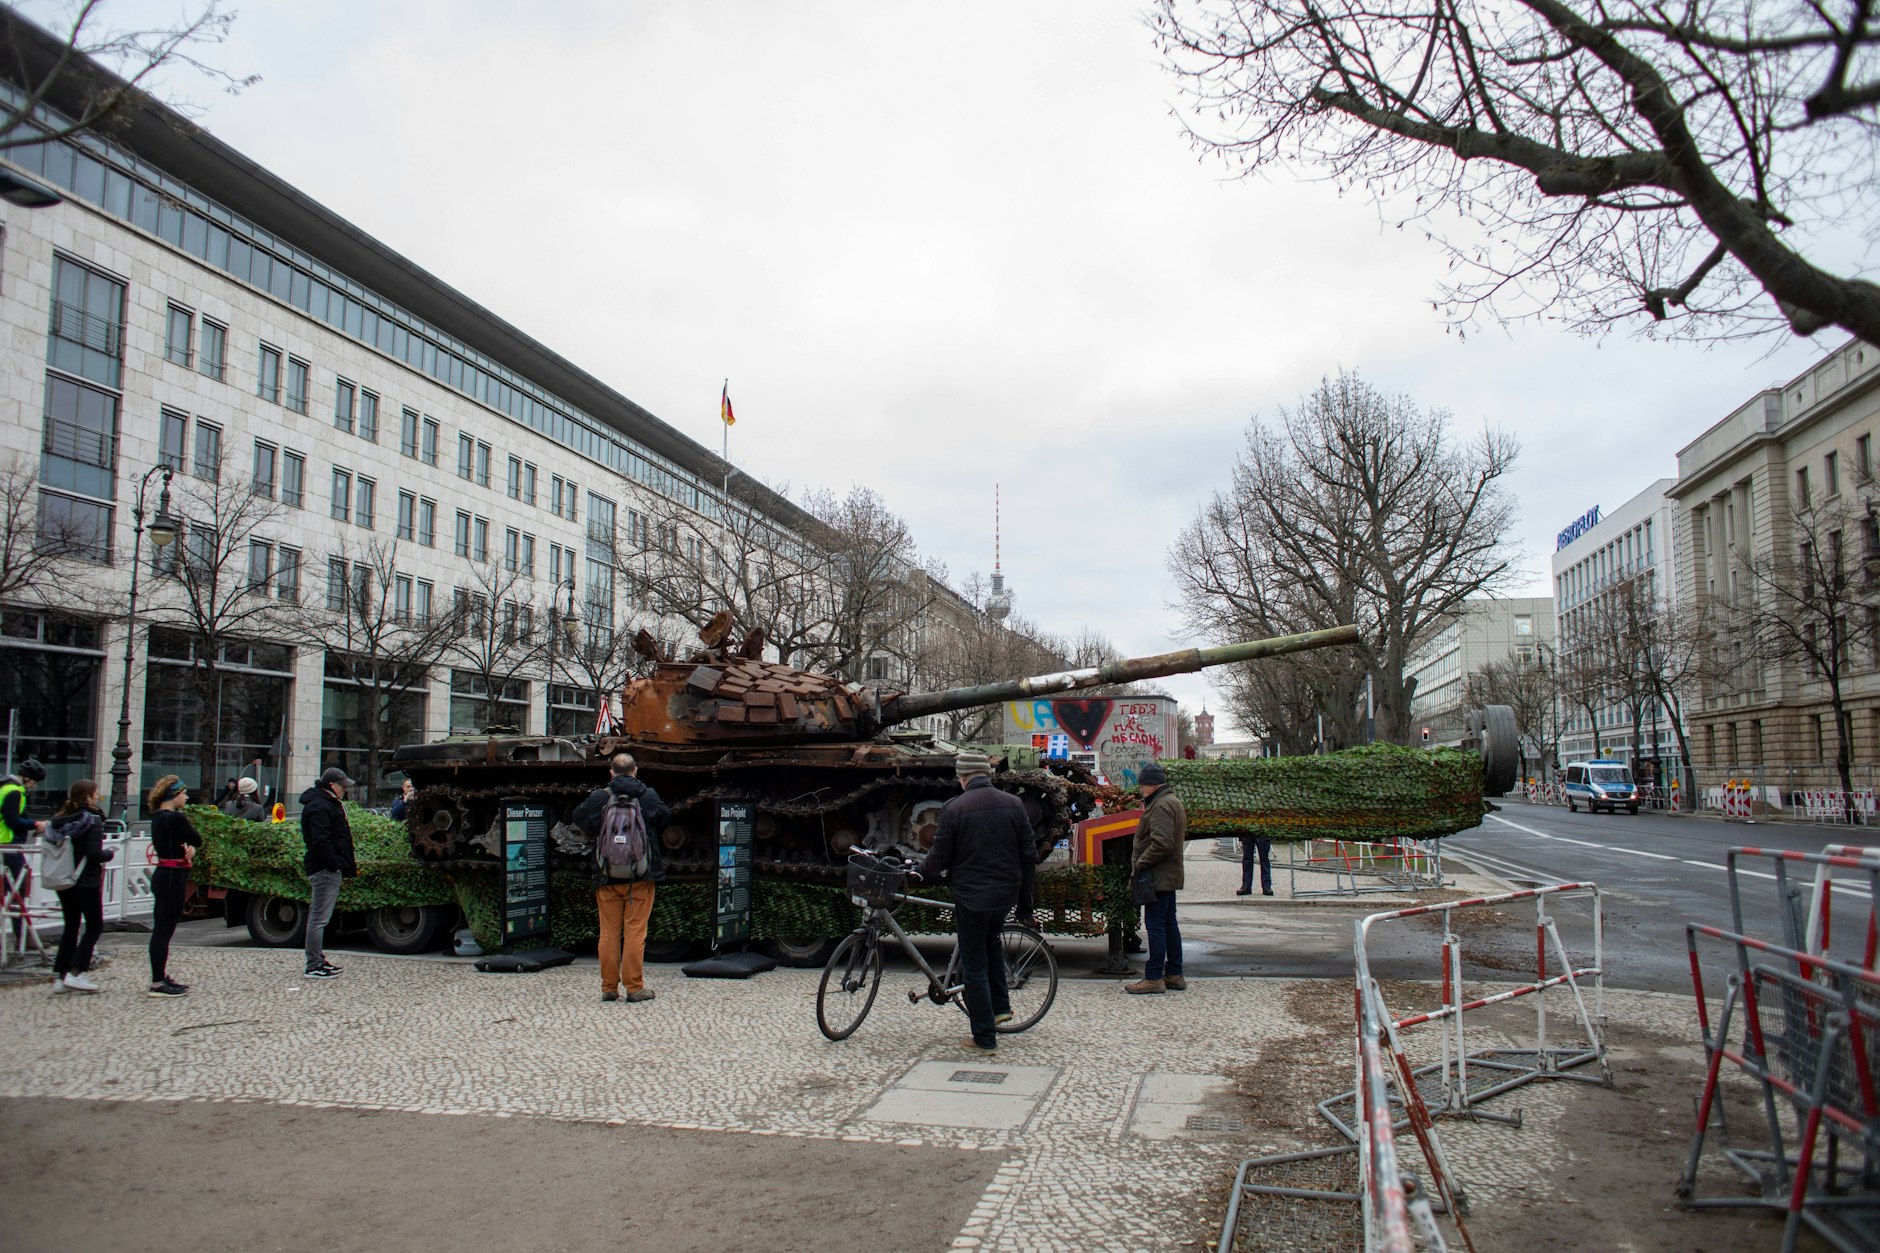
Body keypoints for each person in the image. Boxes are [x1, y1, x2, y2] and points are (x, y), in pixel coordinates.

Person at [916, 751, 1036, 1053]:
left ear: (962, 777)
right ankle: (1000, 1009)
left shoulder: (955, 808)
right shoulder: (1014, 804)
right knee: (991, 944)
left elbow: (939, 857)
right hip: (1005, 894)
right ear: (988, 774)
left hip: (971, 896)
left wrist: (920, 872)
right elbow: (1028, 856)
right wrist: (1025, 901)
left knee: (974, 965)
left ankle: (984, 1037)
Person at [573, 752, 669, 1003]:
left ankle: (608, 987)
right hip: (639, 875)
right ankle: (634, 988)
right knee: (635, 932)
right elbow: (663, 818)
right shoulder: (648, 795)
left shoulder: (599, 797)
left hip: (606, 875)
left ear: (611, 772)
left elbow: (578, 818)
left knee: (609, 933)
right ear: (635, 770)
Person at [1125, 762, 1187, 995]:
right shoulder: (1171, 801)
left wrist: (1141, 863)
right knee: (1169, 924)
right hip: (1168, 874)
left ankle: (1154, 977)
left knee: (1156, 925)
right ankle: (1174, 973)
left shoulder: (1161, 806)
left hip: (1158, 876)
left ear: (1151, 785)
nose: (1141, 790)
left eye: (1142, 786)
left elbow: (1161, 843)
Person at [48, 778, 111, 994]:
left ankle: (60, 976)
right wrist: (108, 854)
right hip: (85, 880)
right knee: (94, 926)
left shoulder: (62, 819)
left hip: (64, 879)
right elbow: (94, 854)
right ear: (88, 797)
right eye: (95, 794)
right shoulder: (91, 820)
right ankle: (77, 972)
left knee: (71, 926)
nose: (97, 796)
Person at [299, 767, 357, 980]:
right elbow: (320, 840)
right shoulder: (320, 806)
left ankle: (317, 959)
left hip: (326, 867)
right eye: (342, 786)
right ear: (332, 785)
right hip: (324, 869)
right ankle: (313, 964)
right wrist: (334, 864)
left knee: (320, 916)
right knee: (319, 918)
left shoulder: (323, 804)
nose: (345, 790)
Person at [146, 775, 200, 998]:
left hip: (163, 874)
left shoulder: (158, 817)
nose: (186, 797)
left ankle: (159, 975)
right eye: (183, 794)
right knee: (164, 930)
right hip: (173, 877)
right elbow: (197, 839)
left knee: (161, 928)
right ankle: (158, 982)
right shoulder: (175, 819)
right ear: (174, 795)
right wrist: (191, 847)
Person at [2, 757, 49, 948]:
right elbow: (13, 821)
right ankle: (23, 939)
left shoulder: (5, 787)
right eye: (34, 783)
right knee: (17, 891)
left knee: (11, 892)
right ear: (27, 778)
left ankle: (23, 937)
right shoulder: (14, 792)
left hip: (7, 845)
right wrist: (36, 824)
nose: (34, 787)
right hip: (8, 846)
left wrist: (30, 824)